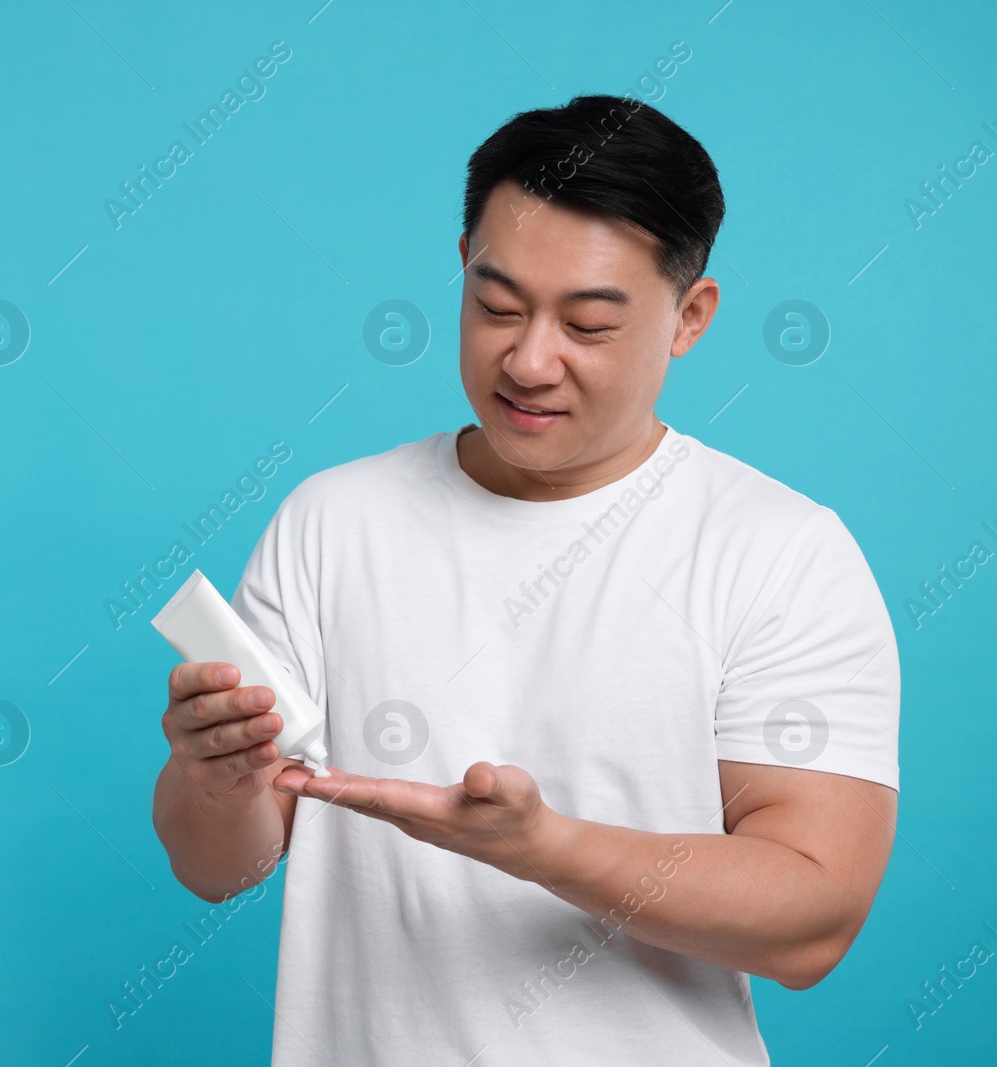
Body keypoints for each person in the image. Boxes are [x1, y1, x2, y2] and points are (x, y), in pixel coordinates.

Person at [150, 94, 899, 1066]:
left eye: (587, 325)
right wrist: (217, 778)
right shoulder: (332, 519)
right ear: (461, 263)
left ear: (690, 316)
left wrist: (539, 845)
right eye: (495, 306)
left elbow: (813, 920)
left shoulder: (778, 550)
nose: (527, 359)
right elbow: (219, 867)